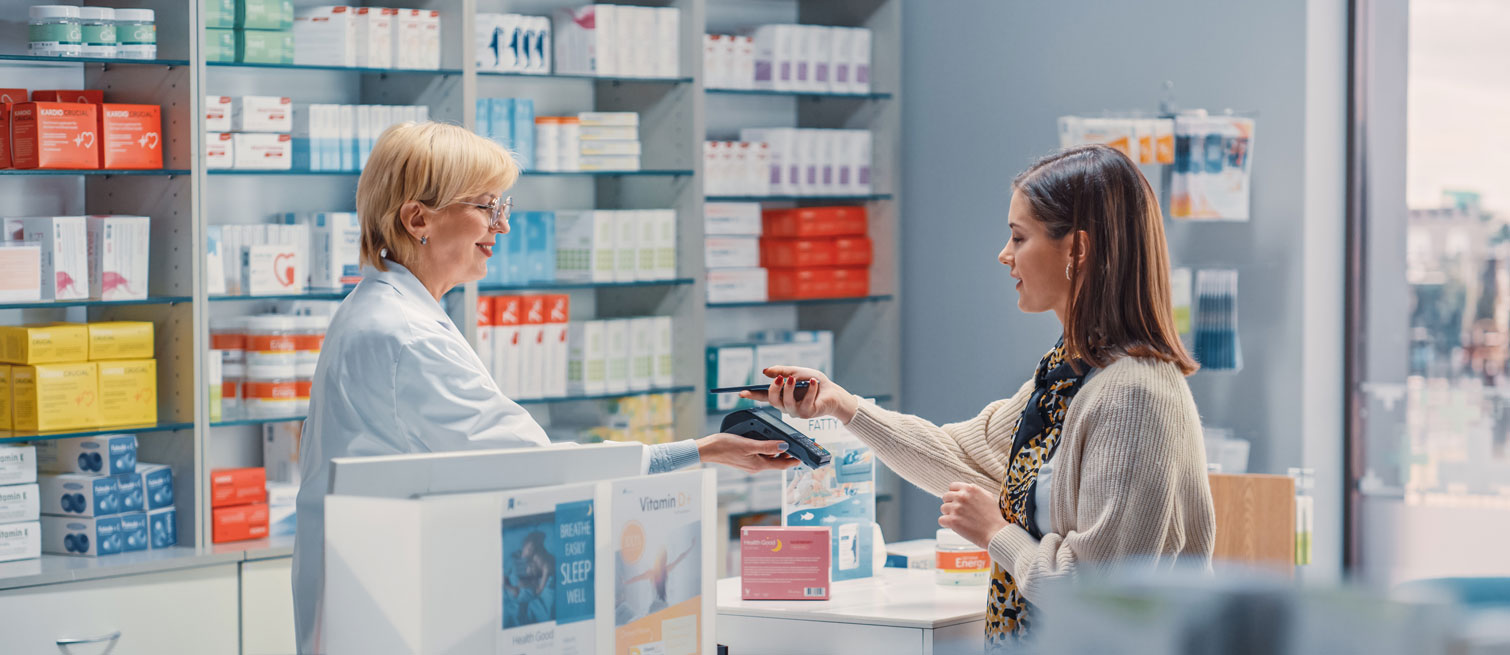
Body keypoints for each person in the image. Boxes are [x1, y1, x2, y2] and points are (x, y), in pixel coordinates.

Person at [292, 121, 797, 653]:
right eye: (486, 207)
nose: (501, 227)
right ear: (418, 217)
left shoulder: (387, 312)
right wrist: (699, 452)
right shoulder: (406, 335)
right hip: (391, 609)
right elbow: (537, 470)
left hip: (384, 594)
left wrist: (706, 450)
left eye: (501, 208)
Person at [749, 145, 1216, 647]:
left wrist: (997, 533)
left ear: (1078, 250)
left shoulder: (1134, 396)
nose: (1004, 254)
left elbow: (1100, 593)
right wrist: (841, 405)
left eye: (1019, 237)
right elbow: (956, 455)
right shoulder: (1067, 373)